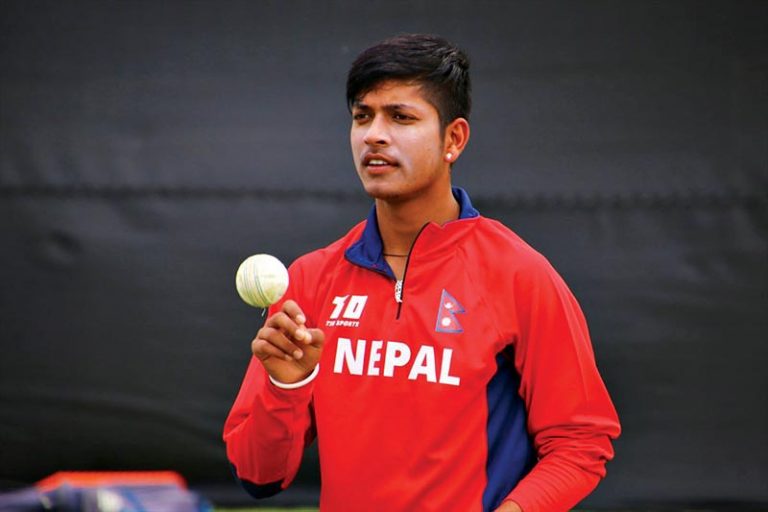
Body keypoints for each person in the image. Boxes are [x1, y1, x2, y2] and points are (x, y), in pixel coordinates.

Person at [223, 34, 621, 512]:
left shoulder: (519, 274)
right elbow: (258, 476)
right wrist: (286, 387)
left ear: (454, 139)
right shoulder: (311, 279)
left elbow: (581, 443)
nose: (374, 135)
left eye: (401, 117)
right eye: (362, 116)